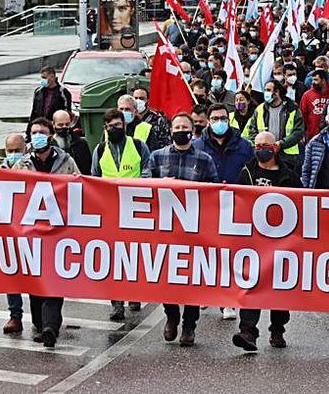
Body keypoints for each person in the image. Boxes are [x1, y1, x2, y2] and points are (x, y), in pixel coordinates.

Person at [146, 112, 220, 346]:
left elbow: (214, 192)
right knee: (166, 277)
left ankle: (189, 324)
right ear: (171, 131)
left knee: (193, 280)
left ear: (192, 130)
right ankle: (171, 315)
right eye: (176, 126)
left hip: (194, 231)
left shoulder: (204, 159)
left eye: (184, 126)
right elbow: (144, 187)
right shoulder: (157, 157)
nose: (180, 130)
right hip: (165, 230)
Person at [13, 117, 80, 348]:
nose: (37, 136)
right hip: (31, 233)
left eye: (42, 132)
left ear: (51, 135)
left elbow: (79, 188)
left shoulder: (66, 161)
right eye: (34, 132)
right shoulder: (21, 164)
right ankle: (41, 325)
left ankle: (51, 327)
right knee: (36, 282)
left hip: (58, 231)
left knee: (54, 280)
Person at [231, 131, 301, 351]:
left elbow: (302, 202)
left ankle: (277, 329)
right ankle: (248, 331)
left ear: (275, 148)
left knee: (279, 287)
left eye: (266, 145)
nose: (261, 148)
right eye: (258, 145)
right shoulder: (246, 172)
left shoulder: (289, 175)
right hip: (253, 241)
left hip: (282, 242)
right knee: (251, 284)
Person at [91, 108, 150, 321]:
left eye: (116, 126)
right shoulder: (99, 150)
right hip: (111, 212)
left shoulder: (138, 146)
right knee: (113, 258)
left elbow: (147, 172)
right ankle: (117, 303)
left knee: (134, 256)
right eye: (108, 127)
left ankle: (134, 293)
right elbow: (94, 179)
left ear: (123, 126)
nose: (112, 129)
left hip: (135, 210)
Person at [0, 133, 27, 334]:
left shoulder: (32, 169)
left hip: (32, 231)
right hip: (8, 233)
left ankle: (45, 317)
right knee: (11, 275)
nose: (14, 154)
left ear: (25, 150)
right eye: (10, 151)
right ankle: (15, 316)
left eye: (18, 150)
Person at [246, 80, 304, 168]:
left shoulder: (292, 108)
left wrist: (281, 143)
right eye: (265, 90)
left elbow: (298, 132)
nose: (266, 93)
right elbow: (252, 130)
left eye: (269, 90)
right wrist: (263, 144)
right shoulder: (260, 109)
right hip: (265, 155)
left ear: (277, 92)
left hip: (287, 156)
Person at [193, 103, 255, 184]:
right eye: (215, 118)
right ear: (208, 121)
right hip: (208, 194)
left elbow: (253, 173)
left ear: (228, 120)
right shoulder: (196, 146)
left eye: (223, 118)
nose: (219, 122)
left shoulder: (245, 146)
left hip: (237, 194)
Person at [27, 66, 71, 137]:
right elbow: (33, 113)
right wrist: (28, 133)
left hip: (55, 129)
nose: (42, 80)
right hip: (40, 128)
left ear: (52, 77)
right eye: (42, 78)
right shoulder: (38, 92)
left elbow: (67, 112)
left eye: (44, 78)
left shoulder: (63, 92)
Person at [52, 110, 91, 175]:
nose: (64, 127)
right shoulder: (50, 146)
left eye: (67, 124)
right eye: (60, 125)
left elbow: (87, 169)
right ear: (54, 125)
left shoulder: (81, 144)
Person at [299, 69, 329, 140]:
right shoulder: (307, 95)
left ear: (323, 80)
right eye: (313, 80)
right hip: (312, 135)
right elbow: (302, 115)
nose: (313, 82)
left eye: (316, 80)